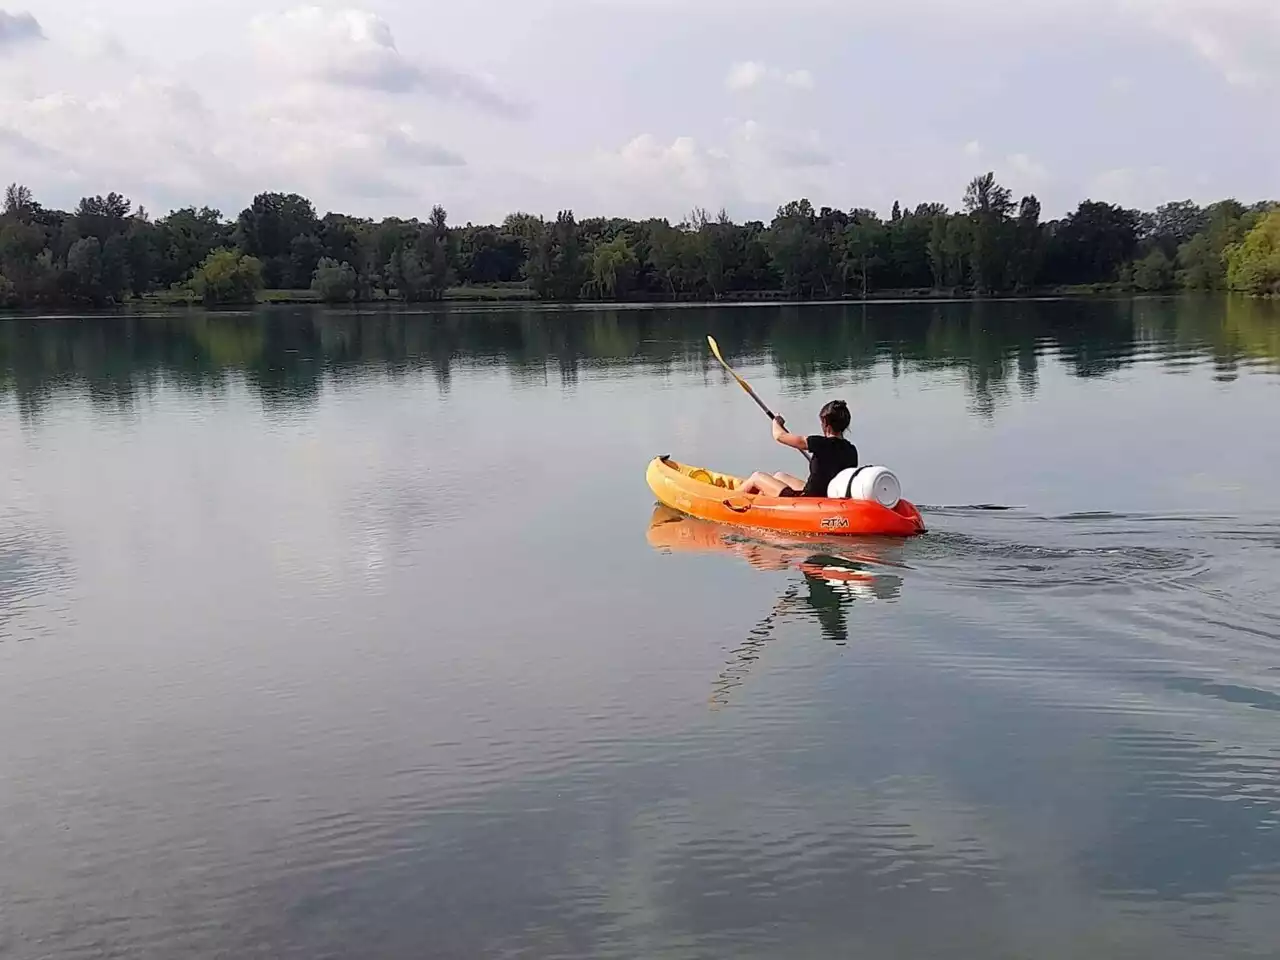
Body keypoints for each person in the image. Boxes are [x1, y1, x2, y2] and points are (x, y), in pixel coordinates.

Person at [740, 399, 858, 498]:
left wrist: (776, 422)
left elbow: (779, 436)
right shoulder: (851, 450)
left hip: (808, 501)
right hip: (827, 496)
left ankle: (728, 502)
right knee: (779, 476)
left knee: (757, 476)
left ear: (825, 422)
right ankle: (759, 504)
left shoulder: (819, 443)